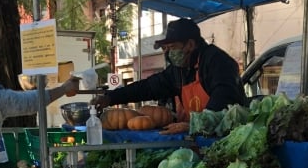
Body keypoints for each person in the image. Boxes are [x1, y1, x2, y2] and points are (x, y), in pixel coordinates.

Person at [92, 18, 246, 135]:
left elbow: (224, 99)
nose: (168, 53)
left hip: (229, 136)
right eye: (166, 48)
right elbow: (148, 87)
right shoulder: (178, 70)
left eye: (172, 47)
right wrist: (111, 98)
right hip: (198, 137)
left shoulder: (217, 61)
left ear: (190, 45)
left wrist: (195, 125)